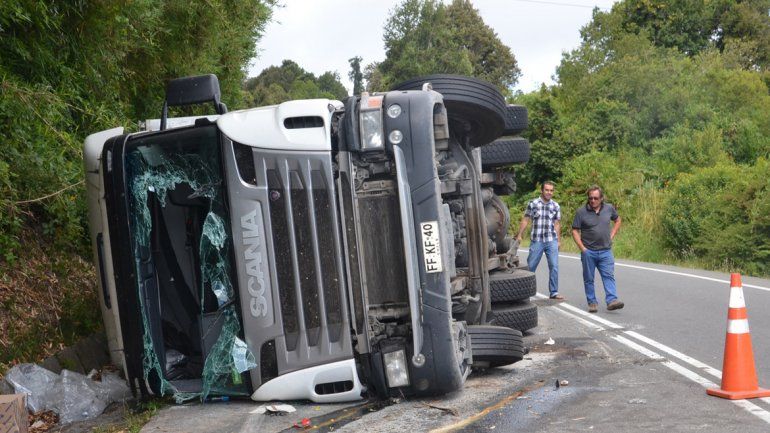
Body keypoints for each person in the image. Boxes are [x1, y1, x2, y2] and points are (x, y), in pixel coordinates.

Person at [571, 185, 624, 313]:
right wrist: (583, 249)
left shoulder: (609, 208)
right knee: (589, 278)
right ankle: (592, 302)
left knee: (608, 275)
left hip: (606, 250)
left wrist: (611, 235)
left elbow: (618, 220)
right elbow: (575, 230)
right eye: (590, 198)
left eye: (595, 198)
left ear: (601, 198)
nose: (593, 200)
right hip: (588, 251)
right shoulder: (581, 212)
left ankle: (612, 300)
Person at [516, 181, 563, 300]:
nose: (549, 192)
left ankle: (554, 292)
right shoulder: (533, 204)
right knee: (531, 267)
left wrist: (558, 240)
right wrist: (519, 235)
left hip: (551, 240)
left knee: (554, 266)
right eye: (547, 190)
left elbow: (557, 224)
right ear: (542, 190)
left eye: (551, 190)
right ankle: (525, 293)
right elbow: (525, 220)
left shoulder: (556, 206)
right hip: (537, 240)